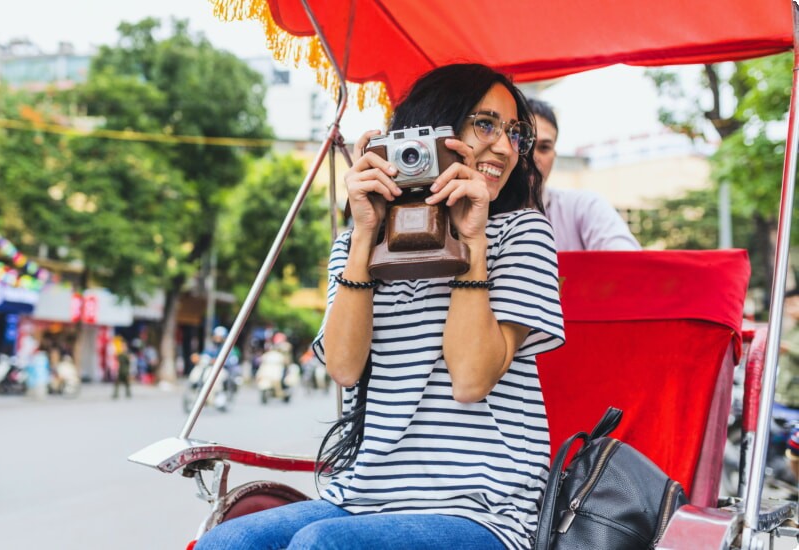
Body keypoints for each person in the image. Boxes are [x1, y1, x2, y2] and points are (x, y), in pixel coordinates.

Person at [195, 64, 565, 550]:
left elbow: (471, 378)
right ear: (433, 129)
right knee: (229, 541)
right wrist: (365, 232)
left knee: (322, 546)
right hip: (365, 497)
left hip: (485, 510)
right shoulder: (360, 245)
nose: (503, 146)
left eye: (514, 132)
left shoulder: (521, 233)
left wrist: (471, 239)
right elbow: (345, 368)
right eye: (485, 124)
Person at [528, 98, 641, 251]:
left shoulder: (584, 207)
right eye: (524, 142)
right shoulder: (485, 211)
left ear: (554, 155)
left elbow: (628, 265)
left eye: (544, 147)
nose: (533, 156)